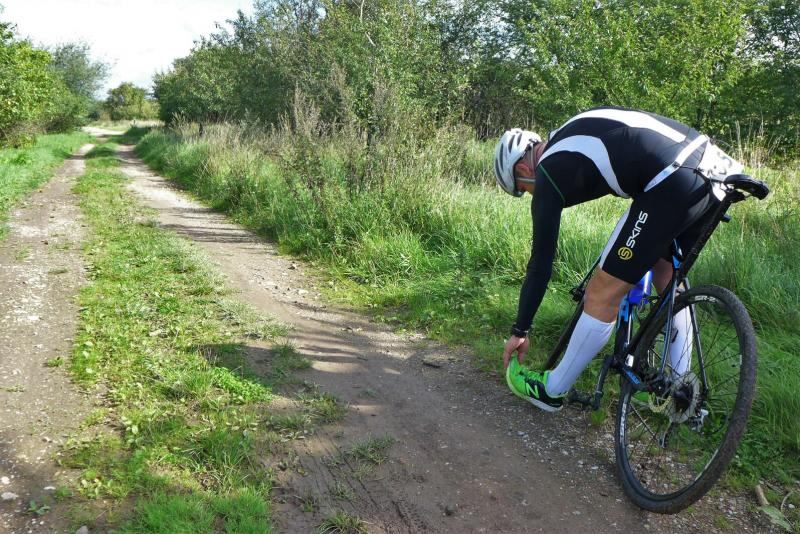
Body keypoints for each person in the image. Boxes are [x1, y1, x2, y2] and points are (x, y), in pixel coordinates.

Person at [495, 106, 727, 412]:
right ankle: (677, 390)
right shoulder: (572, 134)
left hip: (672, 177)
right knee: (666, 273)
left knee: (602, 292)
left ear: (523, 169)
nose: (529, 194)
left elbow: (540, 264)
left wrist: (520, 330)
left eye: (522, 189)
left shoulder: (549, 167)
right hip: (716, 174)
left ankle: (551, 391)